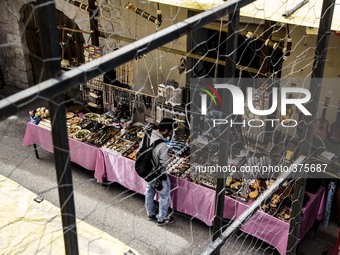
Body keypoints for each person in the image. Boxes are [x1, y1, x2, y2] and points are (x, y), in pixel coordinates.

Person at [145, 118, 176, 226]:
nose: (171, 134)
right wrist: (167, 156)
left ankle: (150, 214)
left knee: (149, 192)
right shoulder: (162, 145)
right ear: (167, 130)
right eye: (171, 131)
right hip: (159, 174)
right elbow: (164, 163)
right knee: (164, 195)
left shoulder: (148, 136)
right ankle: (161, 218)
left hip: (148, 172)